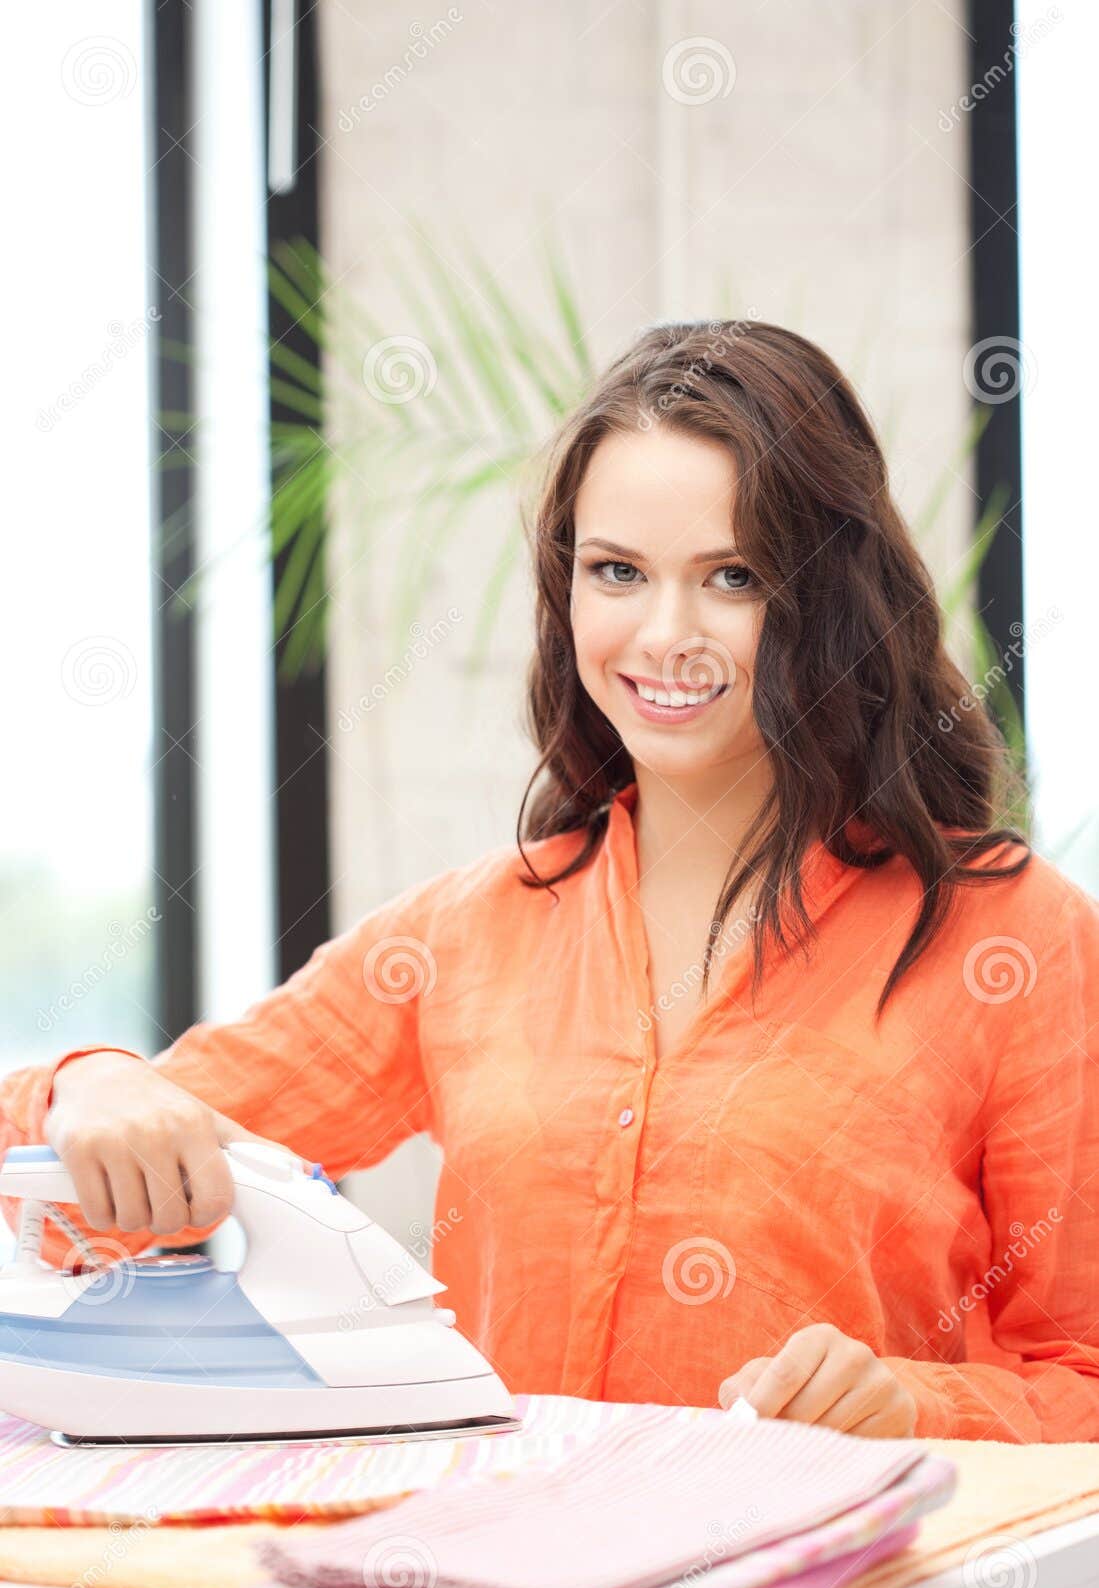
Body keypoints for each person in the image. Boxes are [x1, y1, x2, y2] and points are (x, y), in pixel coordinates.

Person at [2, 320, 1097, 1442]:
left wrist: (914, 1404)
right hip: (492, 1553)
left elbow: (1082, 1372)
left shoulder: (1011, 937)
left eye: (733, 576)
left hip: (827, 1560)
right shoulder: (463, 936)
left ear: (830, 596)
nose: (665, 635)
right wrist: (92, 1086)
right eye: (617, 571)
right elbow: (90, 1184)